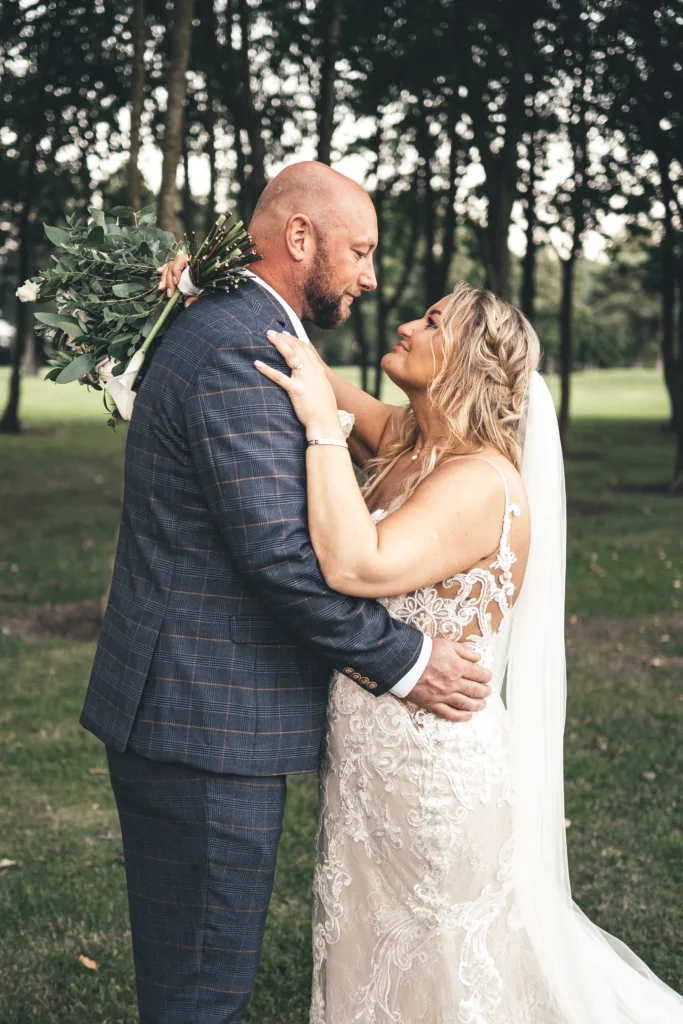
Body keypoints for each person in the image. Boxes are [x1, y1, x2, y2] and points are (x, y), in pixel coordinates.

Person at [80, 162, 493, 1024]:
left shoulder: (239, 325)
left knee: (192, 979)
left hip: (191, 710)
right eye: (361, 251)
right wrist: (408, 660)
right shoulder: (239, 343)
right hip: (202, 723)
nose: (371, 277)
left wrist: (198, 276)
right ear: (300, 239)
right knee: (200, 992)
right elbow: (278, 555)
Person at [258, 284, 683, 1023]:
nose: (403, 324)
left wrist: (322, 430)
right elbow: (305, 359)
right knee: (369, 953)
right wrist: (207, 281)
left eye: (430, 323)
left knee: (444, 969)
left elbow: (357, 566)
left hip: (434, 777)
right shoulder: (405, 441)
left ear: (471, 362)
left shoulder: (480, 481)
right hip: (367, 769)